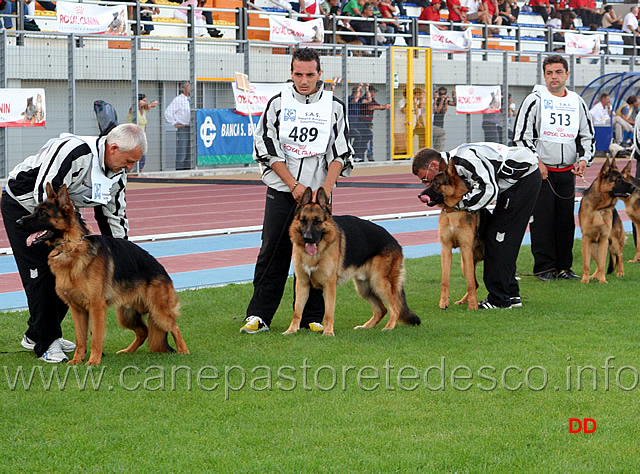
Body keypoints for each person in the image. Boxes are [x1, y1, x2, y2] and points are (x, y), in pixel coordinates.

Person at [1, 124, 147, 362]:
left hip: (64, 218)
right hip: (27, 208)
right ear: (113, 148)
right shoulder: (73, 151)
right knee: (43, 276)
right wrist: (70, 232)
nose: (131, 168)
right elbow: (45, 194)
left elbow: (114, 215)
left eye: (135, 163)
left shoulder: (119, 173)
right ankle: (45, 343)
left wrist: (122, 255)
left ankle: (34, 334)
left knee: (78, 272)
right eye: (129, 161)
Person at [239, 47, 354, 334]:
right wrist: (292, 184)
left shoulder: (334, 106)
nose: (304, 80)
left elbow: (340, 152)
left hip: (319, 197)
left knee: (319, 253)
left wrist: (325, 190)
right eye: (298, 74)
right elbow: (266, 147)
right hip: (282, 189)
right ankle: (259, 315)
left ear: (319, 74)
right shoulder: (277, 104)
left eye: (310, 74)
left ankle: (311, 317)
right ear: (291, 73)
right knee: (272, 250)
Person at [413, 142, 541, 309]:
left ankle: (499, 300)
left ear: (434, 165)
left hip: (523, 180)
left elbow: (489, 189)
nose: (426, 184)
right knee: (496, 236)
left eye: (425, 178)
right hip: (514, 182)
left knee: (499, 238)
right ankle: (511, 294)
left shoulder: (465, 159)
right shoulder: (455, 163)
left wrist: (458, 206)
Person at [513, 54, 595, 281]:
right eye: (549, 73)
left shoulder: (577, 101)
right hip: (542, 173)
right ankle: (544, 267)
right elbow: (521, 137)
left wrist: (583, 160)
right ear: (544, 76)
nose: (554, 77)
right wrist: (536, 162)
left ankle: (564, 267)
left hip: (567, 173)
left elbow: (587, 135)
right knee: (542, 221)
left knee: (565, 221)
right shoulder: (534, 99)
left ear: (567, 74)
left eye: (558, 72)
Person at [356, 84, 391, 161]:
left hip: (367, 123)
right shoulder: (364, 99)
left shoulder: (373, 100)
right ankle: (365, 155)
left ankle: (363, 156)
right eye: (374, 92)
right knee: (366, 137)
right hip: (361, 122)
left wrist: (384, 107)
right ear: (371, 92)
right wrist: (383, 107)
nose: (374, 94)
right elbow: (370, 107)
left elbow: (377, 106)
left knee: (367, 138)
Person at [164, 81, 191, 170]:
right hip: (184, 128)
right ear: (183, 89)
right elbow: (168, 112)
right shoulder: (178, 100)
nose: (190, 87)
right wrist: (174, 123)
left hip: (193, 128)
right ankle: (179, 171)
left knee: (190, 152)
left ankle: (189, 171)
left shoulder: (192, 98)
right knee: (182, 151)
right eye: (188, 86)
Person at [126, 93, 158, 170]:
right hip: (132, 135)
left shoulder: (143, 110)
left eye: (145, 101)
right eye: (143, 100)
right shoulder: (133, 109)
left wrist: (147, 104)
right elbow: (135, 107)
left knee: (142, 153)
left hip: (141, 135)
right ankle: (127, 169)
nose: (145, 102)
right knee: (131, 152)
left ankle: (140, 169)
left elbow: (155, 103)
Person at [432, 86, 454, 151]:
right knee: (441, 135)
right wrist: (441, 100)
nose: (442, 95)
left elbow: (446, 109)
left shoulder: (445, 100)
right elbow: (437, 110)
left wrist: (453, 96)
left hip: (440, 124)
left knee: (437, 141)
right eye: (441, 94)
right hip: (434, 124)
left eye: (444, 94)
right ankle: (438, 153)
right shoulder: (435, 101)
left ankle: (436, 152)